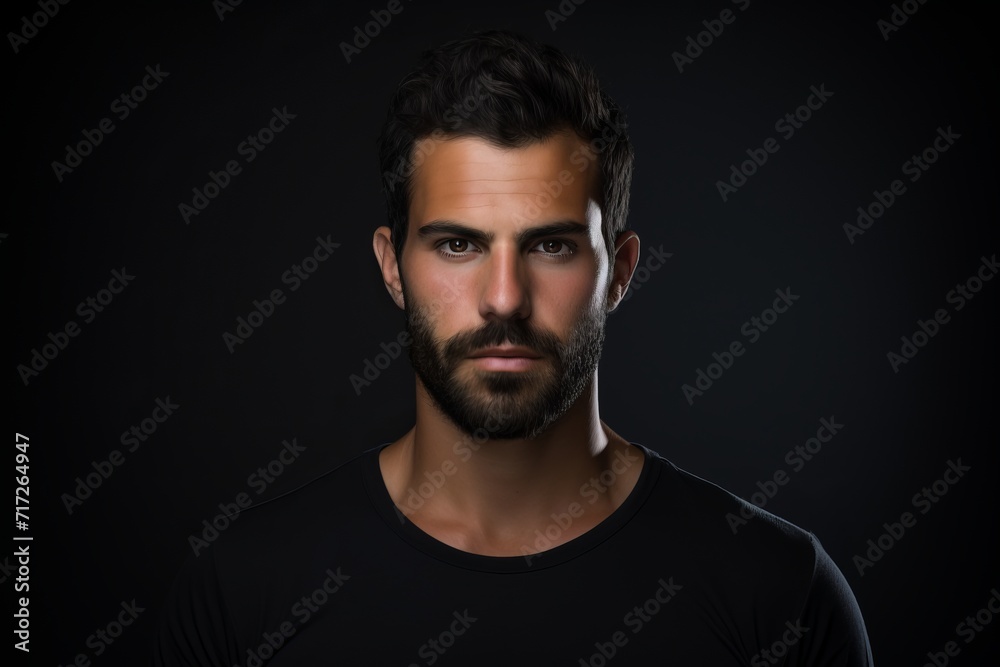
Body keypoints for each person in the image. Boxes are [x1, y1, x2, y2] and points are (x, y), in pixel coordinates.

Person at [152, 29, 874, 666]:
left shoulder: (779, 593)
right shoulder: (243, 591)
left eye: (552, 245)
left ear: (619, 271)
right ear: (392, 267)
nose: (504, 297)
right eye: (458, 244)